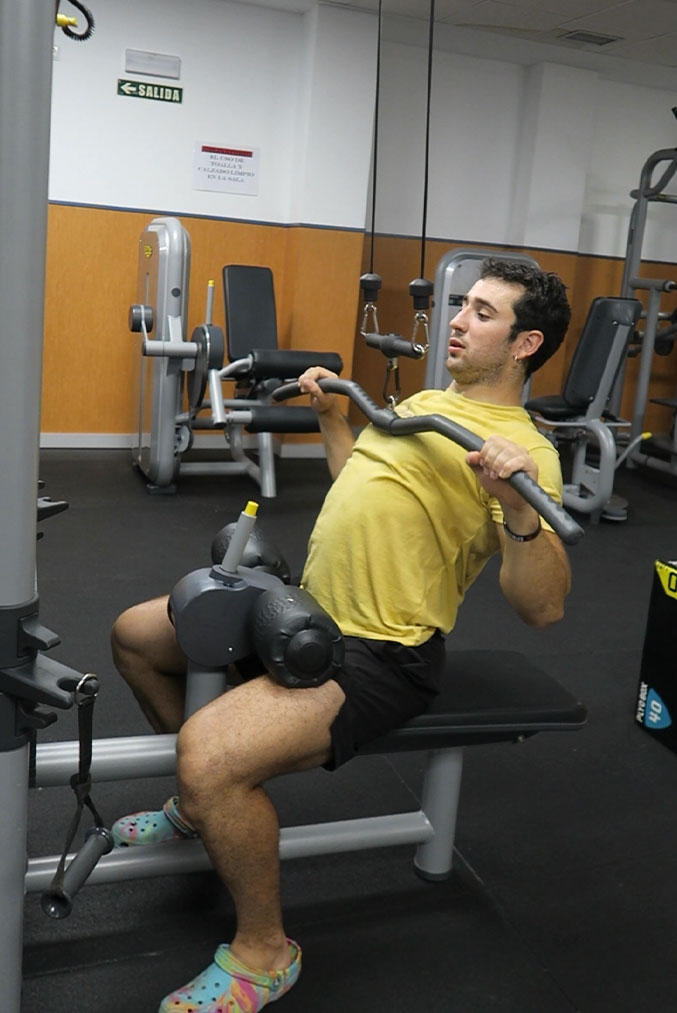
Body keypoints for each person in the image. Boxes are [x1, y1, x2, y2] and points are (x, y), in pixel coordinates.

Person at [110, 257, 573, 1013]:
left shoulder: (525, 452)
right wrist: (335, 421)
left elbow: (542, 606)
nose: (456, 320)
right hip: (304, 608)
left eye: (481, 313)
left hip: (381, 651)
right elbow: (363, 482)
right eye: (462, 306)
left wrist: (516, 506)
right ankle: (202, 812)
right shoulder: (427, 400)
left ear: (524, 345)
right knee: (134, 635)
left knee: (210, 755)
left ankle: (265, 952)